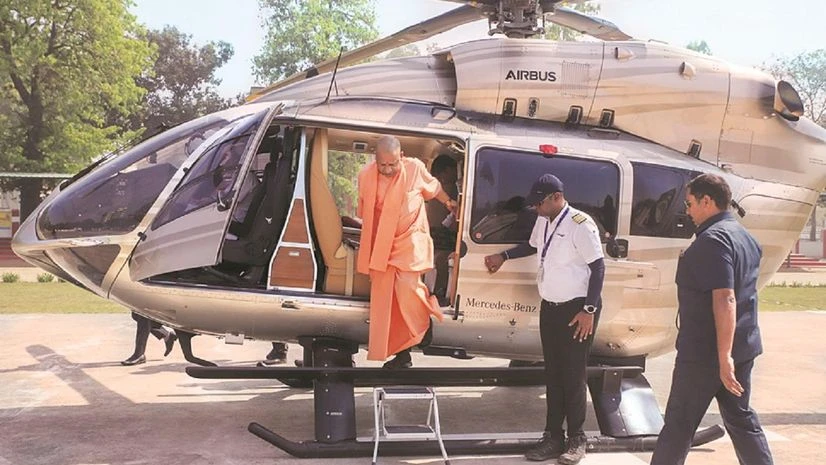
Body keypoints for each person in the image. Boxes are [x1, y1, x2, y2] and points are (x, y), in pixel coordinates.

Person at [651, 173, 773, 465]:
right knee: (741, 421)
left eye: (690, 203)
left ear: (708, 201)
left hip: (707, 355)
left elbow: (725, 298)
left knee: (679, 424)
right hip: (740, 349)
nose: (688, 210)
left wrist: (722, 358)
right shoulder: (747, 238)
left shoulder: (713, 240)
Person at [484, 174, 604, 465]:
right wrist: (504, 255)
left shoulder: (580, 224)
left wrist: (588, 311)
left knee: (573, 375)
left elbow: (598, 268)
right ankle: (553, 437)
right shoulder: (545, 220)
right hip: (550, 307)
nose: (535, 207)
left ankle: (577, 438)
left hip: (577, 310)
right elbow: (534, 246)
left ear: (556, 197)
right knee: (553, 374)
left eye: (539, 202)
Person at [357, 135, 457, 369]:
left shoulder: (414, 168)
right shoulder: (366, 176)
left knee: (407, 288)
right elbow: (365, 212)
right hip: (382, 245)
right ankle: (402, 356)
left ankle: (424, 320)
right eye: (383, 165)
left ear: (401, 156)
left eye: (393, 164)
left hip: (410, 240)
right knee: (386, 302)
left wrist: (449, 202)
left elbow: (434, 189)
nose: (388, 169)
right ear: (375, 159)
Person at [425, 154, 459, 304]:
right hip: (440, 235)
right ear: (445, 172)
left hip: (438, 234)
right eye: (453, 171)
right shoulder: (447, 190)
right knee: (441, 259)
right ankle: (438, 295)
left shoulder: (430, 188)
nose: (456, 175)